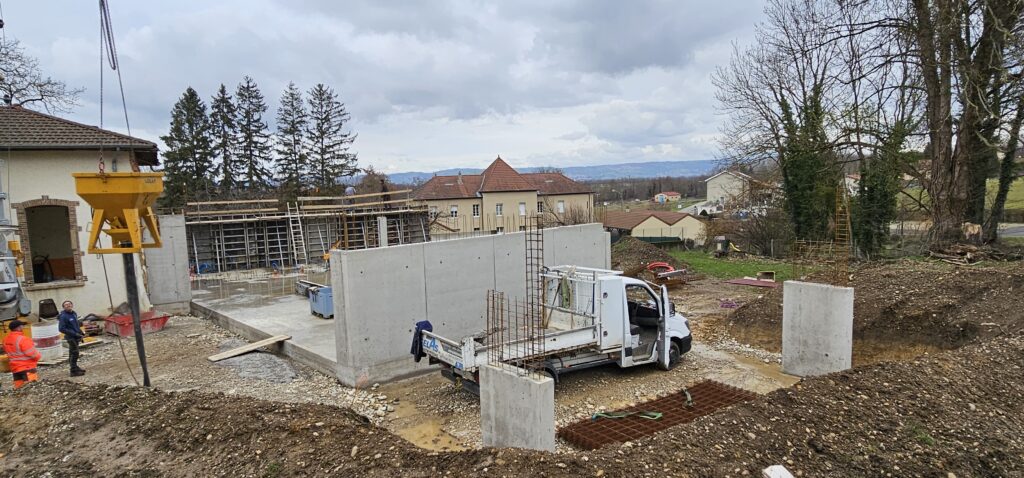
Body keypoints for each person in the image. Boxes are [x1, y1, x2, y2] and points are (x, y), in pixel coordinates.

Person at [3, 319, 41, 388]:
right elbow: (33, 354)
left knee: (19, 391)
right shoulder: (23, 339)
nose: (23, 327)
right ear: (19, 327)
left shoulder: (5, 339)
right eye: (22, 326)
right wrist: (38, 357)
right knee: (31, 389)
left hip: (15, 369)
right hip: (27, 367)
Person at [57, 300, 85, 376]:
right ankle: (73, 371)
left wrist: (80, 332)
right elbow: (61, 329)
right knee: (75, 353)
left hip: (76, 336)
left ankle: (75, 367)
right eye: (66, 305)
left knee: (72, 353)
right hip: (70, 337)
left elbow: (75, 325)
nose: (68, 305)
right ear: (63, 307)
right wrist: (74, 333)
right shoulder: (63, 316)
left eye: (69, 304)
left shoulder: (74, 313)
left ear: (72, 305)